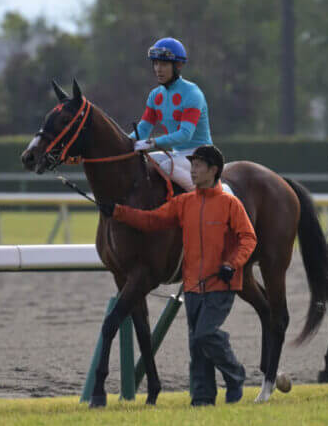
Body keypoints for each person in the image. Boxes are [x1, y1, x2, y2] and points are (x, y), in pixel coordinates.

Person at [99, 145, 255, 406]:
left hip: (221, 283)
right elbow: (150, 220)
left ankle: (235, 374)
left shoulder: (230, 204)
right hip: (193, 285)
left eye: (198, 166)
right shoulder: (183, 203)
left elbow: (248, 238)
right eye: (191, 166)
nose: (192, 171)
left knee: (205, 334)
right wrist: (117, 211)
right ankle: (202, 398)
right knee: (196, 345)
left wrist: (233, 263)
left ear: (214, 170)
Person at [128, 37, 212, 192]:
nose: (158, 69)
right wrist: (125, 141)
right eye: (156, 63)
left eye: (164, 64)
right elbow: (144, 128)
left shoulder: (192, 93)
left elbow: (185, 134)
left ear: (178, 65)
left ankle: (207, 196)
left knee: (166, 166)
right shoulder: (155, 95)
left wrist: (152, 143)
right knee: (147, 162)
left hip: (201, 155)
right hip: (178, 155)